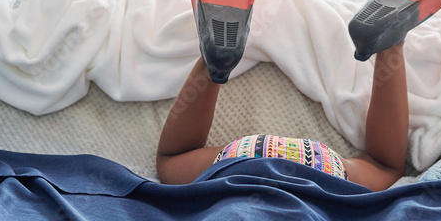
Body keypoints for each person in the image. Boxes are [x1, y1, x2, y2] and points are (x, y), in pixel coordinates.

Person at [156, 38, 408, 192]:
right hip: (302, 169)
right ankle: (391, 43)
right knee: (383, 166)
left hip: (251, 166)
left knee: (384, 166)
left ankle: (391, 44)